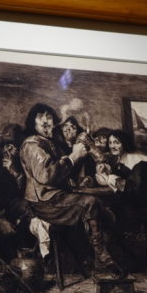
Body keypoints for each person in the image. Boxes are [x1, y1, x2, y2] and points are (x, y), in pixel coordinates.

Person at [19, 103, 125, 278]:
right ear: (32, 122)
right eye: (40, 117)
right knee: (90, 202)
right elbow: (46, 176)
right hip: (44, 202)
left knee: (103, 206)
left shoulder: (50, 143)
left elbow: (67, 172)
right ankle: (102, 257)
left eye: (48, 117)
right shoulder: (32, 145)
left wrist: (91, 165)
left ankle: (96, 259)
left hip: (56, 198)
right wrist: (74, 156)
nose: (45, 121)